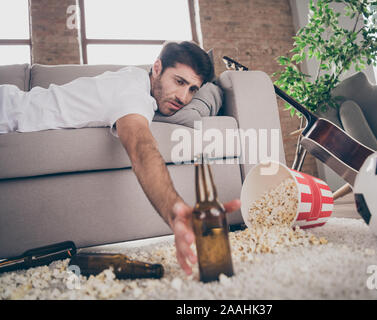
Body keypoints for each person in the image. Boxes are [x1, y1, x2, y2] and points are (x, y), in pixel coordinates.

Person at [0, 41, 241, 275]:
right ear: (157, 68)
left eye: (192, 89)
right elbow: (141, 146)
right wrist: (175, 210)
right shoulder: (132, 94)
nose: (184, 98)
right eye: (179, 82)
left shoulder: (134, 80)